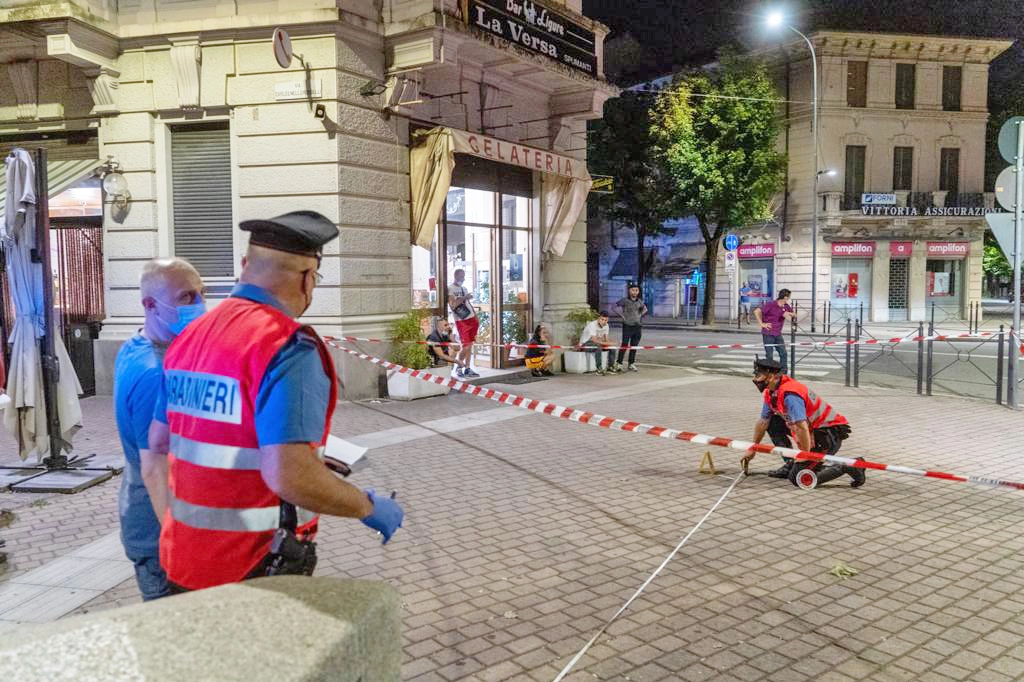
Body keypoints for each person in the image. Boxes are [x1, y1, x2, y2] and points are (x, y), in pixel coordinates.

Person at [149, 210, 404, 592]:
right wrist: (366, 506)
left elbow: (160, 443)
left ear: (244, 265)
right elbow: (290, 475)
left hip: (182, 560)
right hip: (252, 568)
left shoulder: (189, 336)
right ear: (307, 278)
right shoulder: (286, 346)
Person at [114, 257, 205, 601]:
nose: (199, 305)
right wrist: (179, 546)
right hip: (159, 537)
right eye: (186, 297)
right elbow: (155, 468)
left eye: (201, 294)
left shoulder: (136, 345)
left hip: (145, 522)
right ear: (150, 304)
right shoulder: (155, 372)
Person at [742, 359, 865, 488]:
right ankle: (791, 463)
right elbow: (763, 422)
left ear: (772, 376)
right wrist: (753, 449)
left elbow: (801, 427)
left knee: (799, 478)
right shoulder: (770, 392)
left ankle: (848, 466)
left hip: (827, 435)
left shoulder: (790, 394)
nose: (755, 380)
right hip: (811, 431)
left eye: (758, 375)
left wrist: (804, 455)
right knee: (773, 423)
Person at [447, 269, 480, 378]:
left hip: (471, 318)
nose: (463, 279)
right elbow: (453, 304)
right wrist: (464, 297)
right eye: (461, 276)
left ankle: (467, 368)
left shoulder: (464, 288)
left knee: (470, 345)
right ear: (456, 276)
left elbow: (468, 304)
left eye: (464, 276)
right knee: (465, 346)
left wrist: (475, 316)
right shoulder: (451, 289)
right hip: (461, 321)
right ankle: (459, 366)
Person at [754, 288, 795, 374]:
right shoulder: (771, 304)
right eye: (788, 297)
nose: (789, 299)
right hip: (768, 333)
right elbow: (756, 311)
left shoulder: (786, 306)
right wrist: (761, 324)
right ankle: (769, 373)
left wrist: (789, 314)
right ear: (785, 297)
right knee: (769, 355)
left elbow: (795, 315)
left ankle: (783, 373)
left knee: (783, 353)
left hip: (778, 334)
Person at [612, 281, 648, 372]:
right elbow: (614, 306)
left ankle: (631, 364)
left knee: (634, 346)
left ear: (638, 292)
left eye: (636, 290)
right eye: (633, 290)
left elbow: (645, 309)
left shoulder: (640, 301)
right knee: (624, 345)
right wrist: (621, 315)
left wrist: (640, 316)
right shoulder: (625, 300)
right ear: (629, 291)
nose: (634, 292)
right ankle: (619, 363)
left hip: (637, 326)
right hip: (627, 326)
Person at [578, 311, 614, 375]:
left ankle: (610, 366)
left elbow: (606, 339)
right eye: (602, 319)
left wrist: (611, 343)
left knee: (612, 347)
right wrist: (606, 343)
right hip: (586, 344)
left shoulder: (606, 325)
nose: (604, 322)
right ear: (598, 319)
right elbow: (594, 340)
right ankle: (599, 368)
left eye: (606, 320)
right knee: (598, 347)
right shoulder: (592, 325)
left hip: (598, 343)